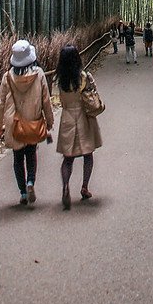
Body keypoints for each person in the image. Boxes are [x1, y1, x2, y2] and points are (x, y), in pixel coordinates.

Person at [0, 39, 54, 205]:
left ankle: (23, 193)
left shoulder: (8, 76)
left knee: (17, 159)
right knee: (31, 155)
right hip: (33, 120)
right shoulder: (39, 74)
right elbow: (46, 100)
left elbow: (0, 102)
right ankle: (30, 183)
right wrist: (49, 121)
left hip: (14, 123)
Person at [55, 44, 103, 209]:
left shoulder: (61, 80)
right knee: (88, 155)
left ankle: (66, 186)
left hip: (67, 118)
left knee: (68, 158)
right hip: (84, 118)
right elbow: (92, 95)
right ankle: (84, 187)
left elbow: (61, 101)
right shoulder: (83, 76)